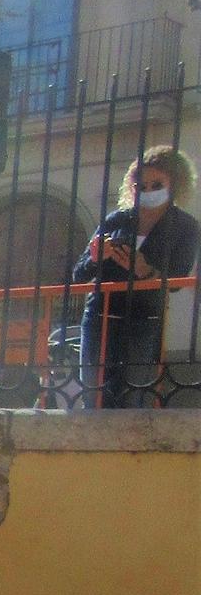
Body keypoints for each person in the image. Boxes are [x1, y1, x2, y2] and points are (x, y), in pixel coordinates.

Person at [75, 146, 200, 408]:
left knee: (134, 398)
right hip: (100, 317)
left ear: (175, 184)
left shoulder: (186, 227)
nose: (148, 191)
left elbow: (176, 280)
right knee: (94, 397)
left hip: (145, 320)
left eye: (157, 184)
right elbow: (79, 274)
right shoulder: (116, 220)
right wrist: (97, 257)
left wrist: (144, 270)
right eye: (140, 185)